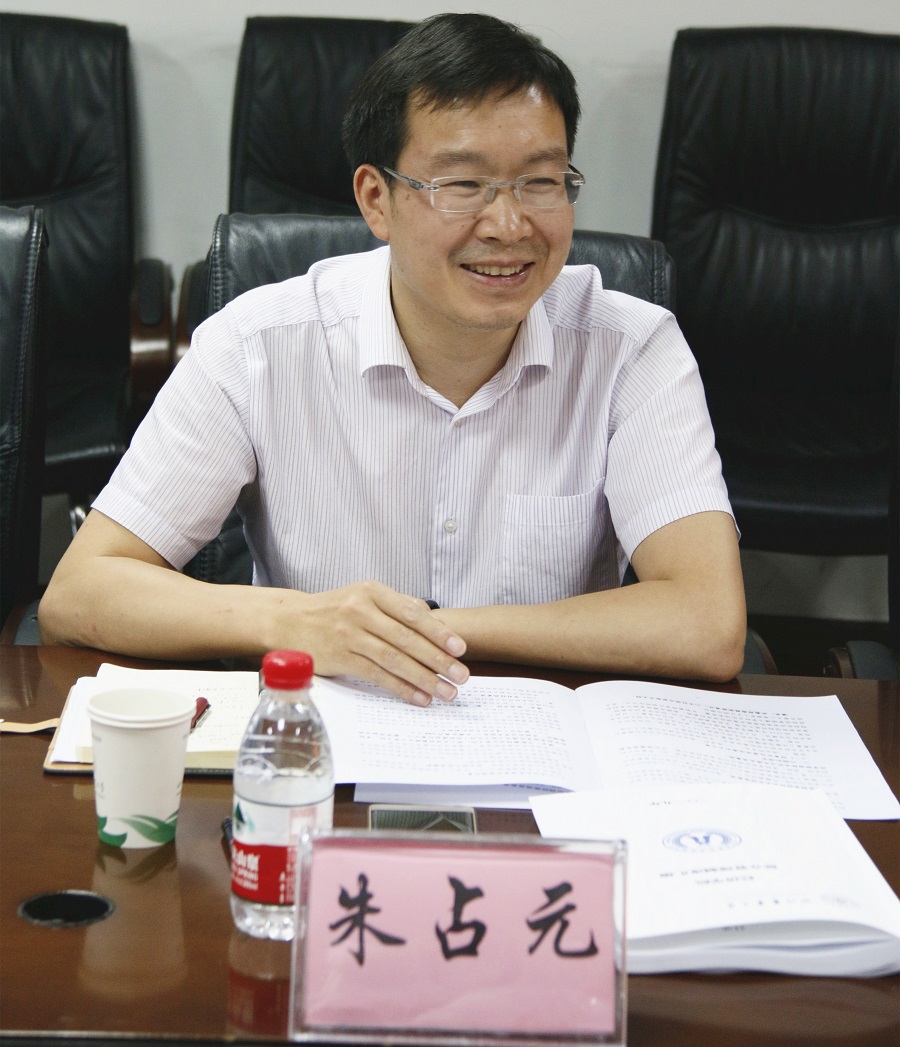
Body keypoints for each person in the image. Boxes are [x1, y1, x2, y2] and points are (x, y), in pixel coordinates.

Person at [40, 13, 746, 703]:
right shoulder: (258, 346)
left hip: (542, 744)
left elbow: (707, 623)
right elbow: (81, 591)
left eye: (540, 182)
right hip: (318, 738)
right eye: (462, 186)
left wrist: (417, 633)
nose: (508, 225)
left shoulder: (632, 349)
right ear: (376, 200)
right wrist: (300, 622)